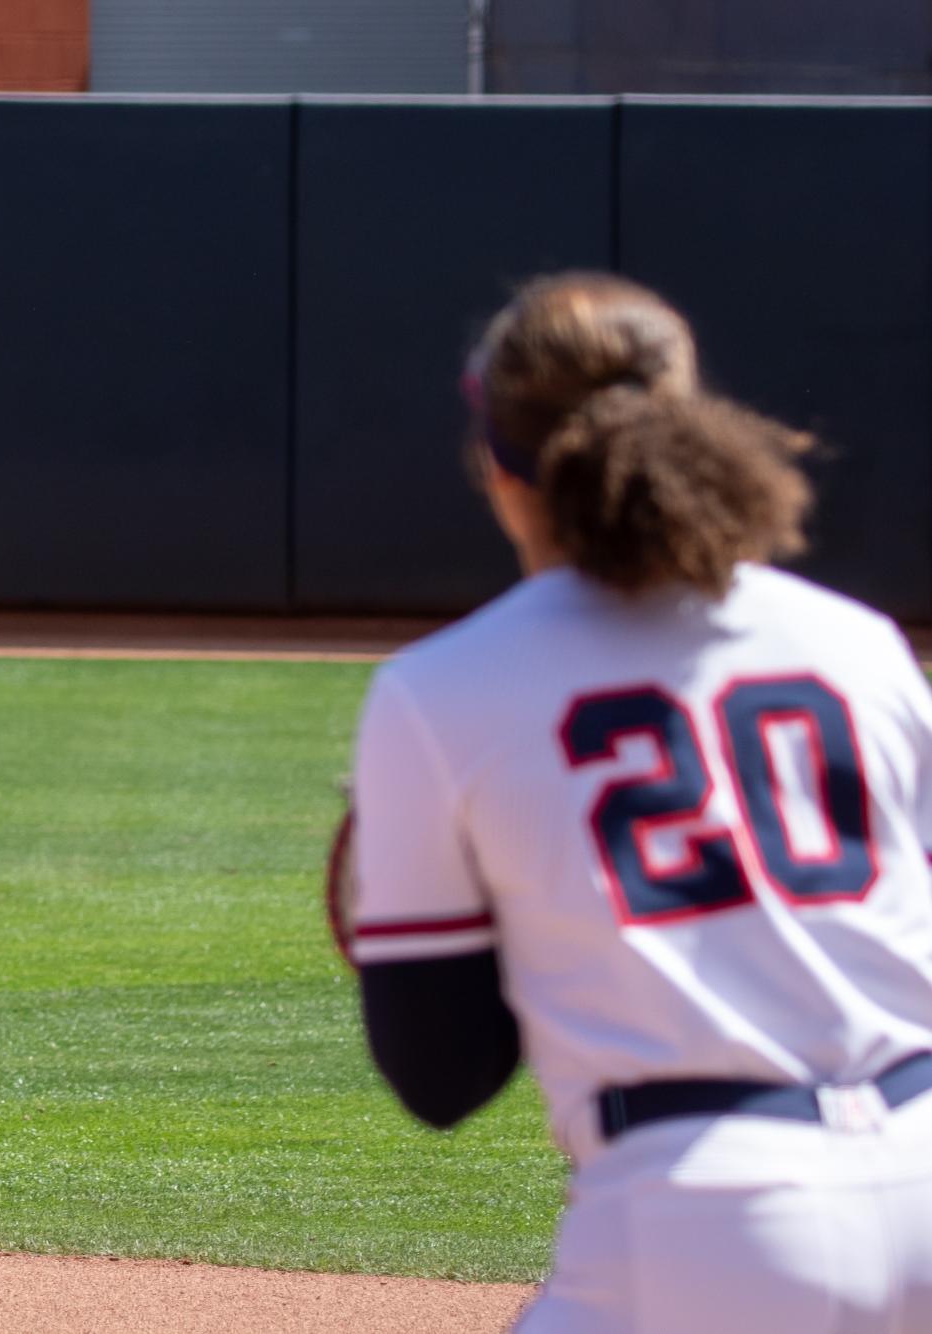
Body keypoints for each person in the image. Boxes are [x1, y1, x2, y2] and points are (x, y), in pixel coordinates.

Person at [344, 272, 932, 1331]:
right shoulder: (857, 642)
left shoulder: (443, 691)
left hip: (709, 1215)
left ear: (496, 462)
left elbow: (441, 1075)